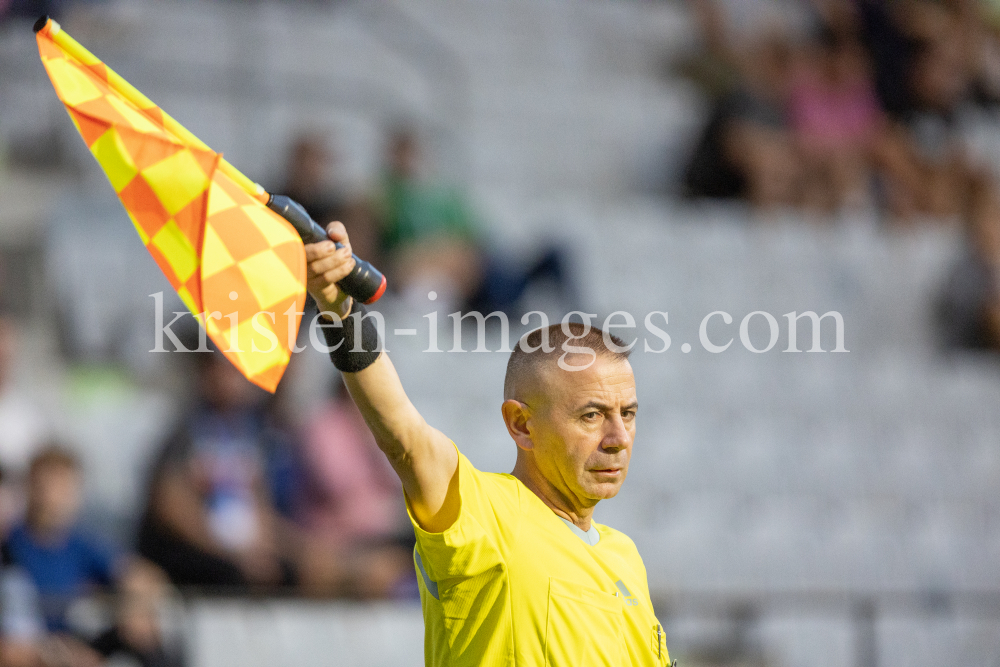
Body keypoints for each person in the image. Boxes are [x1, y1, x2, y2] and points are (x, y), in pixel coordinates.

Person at [304, 224, 670, 665]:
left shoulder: (626, 556)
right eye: (590, 415)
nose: (618, 439)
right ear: (521, 424)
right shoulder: (484, 511)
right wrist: (340, 310)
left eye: (627, 414)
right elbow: (403, 436)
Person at [136, 351, 298, 592]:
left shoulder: (254, 432)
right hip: (202, 550)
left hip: (243, 548)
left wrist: (261, 550)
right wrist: (231, 553)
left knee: (288, 572)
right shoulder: (187, 431)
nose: (230, 380)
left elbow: (259, 498)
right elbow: (170, 506)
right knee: (232, 576)